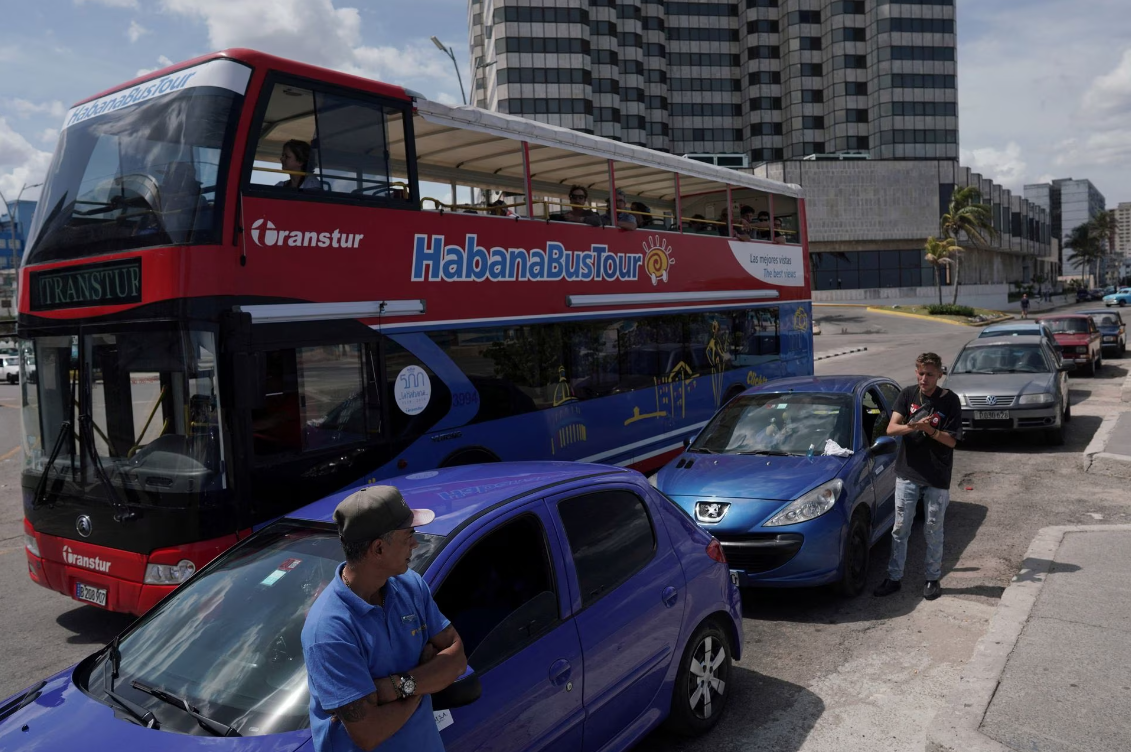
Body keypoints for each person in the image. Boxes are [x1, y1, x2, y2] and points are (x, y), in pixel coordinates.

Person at [301, 485, 466, 752]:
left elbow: (457, 659)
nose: (416, 542)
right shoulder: (328, 630)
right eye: (409, 534)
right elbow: (369, 732)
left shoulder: (410, 585)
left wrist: (392, 688)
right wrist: (420, 685)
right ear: (378, 548)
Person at [874, 352, 961, 601]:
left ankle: (932, 579)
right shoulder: (908, 395)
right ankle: (894, 578)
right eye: (921, 373)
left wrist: (930, 430)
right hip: (908, 473)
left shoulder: (950, 401)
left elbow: (952, 440)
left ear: (939, 375)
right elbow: (891, 428)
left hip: (937, 475)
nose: (924, 379)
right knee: (900, 528)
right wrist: (915, 426)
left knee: (933, 529)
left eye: (930, 374)